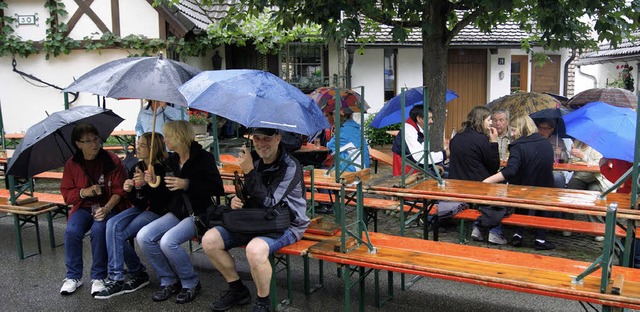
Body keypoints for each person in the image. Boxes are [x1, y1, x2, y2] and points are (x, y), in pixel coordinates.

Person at [203, 127, 310, 312]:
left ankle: (263, 302)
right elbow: (250, 192)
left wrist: (250, 170)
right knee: (209, 240)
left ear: (278, 138)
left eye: (266, 138)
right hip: (255, 219)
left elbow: (269, 201)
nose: (261, 143)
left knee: (254, 250)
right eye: (257, 138)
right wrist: (238, 199)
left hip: (287, 224)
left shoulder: (290, 165)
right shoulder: (255, 160)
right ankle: (238, 290)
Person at [136, 120, 225, 304]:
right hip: (176, 211)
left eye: (168, 136)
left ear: (179, 136)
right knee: (143, 236)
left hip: (198, 212)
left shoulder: (203, 158)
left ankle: (190, 282)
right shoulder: (172, 160)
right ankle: (168, 279)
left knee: (169, 242)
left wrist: (188, 184)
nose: (165, 140)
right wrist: (152, 182)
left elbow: (217, 188)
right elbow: (163, 195)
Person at [95, 132, 170, 299]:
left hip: (158, 211)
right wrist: (130, 190)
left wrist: (147, 184)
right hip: (143, 208)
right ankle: (134, 272)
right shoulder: (137, 166)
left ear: (153, 148)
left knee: (118, 234)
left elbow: (161, 200)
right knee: (112, 224)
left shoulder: (162, 167)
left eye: (142, 145)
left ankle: (119, 277)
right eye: (138, 144)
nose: (137, 148)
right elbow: (139, 203)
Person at [59, 123, 128, 296]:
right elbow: (67, 194)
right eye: (88, 141)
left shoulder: (111, 160)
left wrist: (106, 208)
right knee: (71, 231)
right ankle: (73, 276)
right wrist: (84, 192)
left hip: (108, 206)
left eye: (95, 139)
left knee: (99, 230)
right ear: (78, 144)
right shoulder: (72, 164)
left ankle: (99, 277)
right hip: (83, 207)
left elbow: (120, 190)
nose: (94, 144)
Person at [484, 114, 556, 250]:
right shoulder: (546, 143)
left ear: (522, 128)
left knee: (521, 207)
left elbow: (510, 170)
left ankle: (518, 234)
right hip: (545, 187)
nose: (512, 133)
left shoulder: (517, 146)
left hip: (522, 188)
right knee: (541, 209)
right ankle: (540, 239)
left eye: (514, 129)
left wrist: (487, 181)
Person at [448, 106, 502, 244]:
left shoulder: (456, 138)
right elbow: (494, 166)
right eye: (489, 119)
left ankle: (477, 227)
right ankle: (493, 230)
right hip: (478, 186)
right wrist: (494, 141)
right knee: (501, 192)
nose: (491, 123)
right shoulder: (481, 140)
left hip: (457, 185)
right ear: (481, 119)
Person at [565, 139, 613, 241]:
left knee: (594, 194)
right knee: (570, 190)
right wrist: (570, 157)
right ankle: (567, 224)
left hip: (597, 178)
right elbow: (570, 165)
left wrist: (583, 156)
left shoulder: (599, 146)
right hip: (581, 176)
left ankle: (598, 228)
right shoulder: (577, 143)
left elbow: (601, 167)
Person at [391, 105, 448, 176]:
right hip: (407, 176)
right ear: (419, 118)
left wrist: (431, 166)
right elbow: (420, 156)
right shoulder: (409, 131)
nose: (432, 121)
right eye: (429, 118)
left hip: (414, 171)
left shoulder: (415, 129)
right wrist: (444, 154)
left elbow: (419, 156)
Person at [535, 118, 568, 188]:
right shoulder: (534, 139)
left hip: (554, 171)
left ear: (552, 129)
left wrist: (561, 153)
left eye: (546, 128)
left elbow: (566, 160)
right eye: (540, 128)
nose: (542, 131)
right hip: (537, 170)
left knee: (558, 178)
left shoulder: (558, 141)